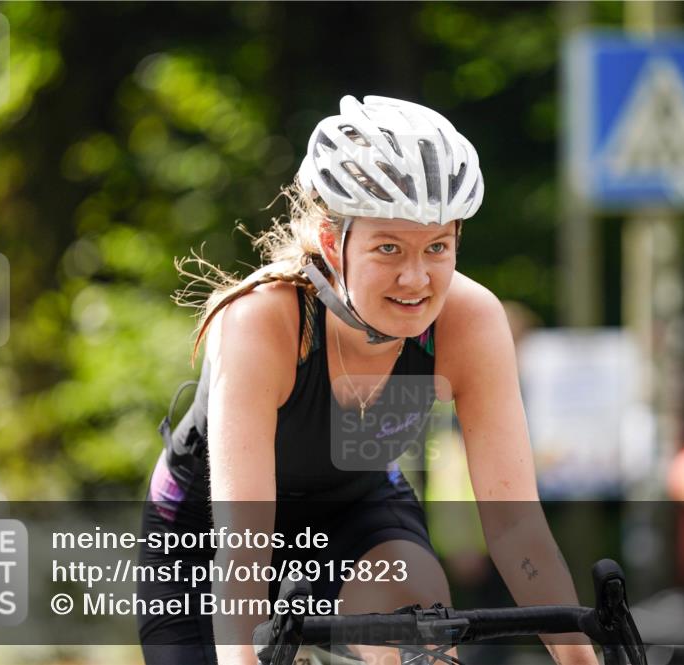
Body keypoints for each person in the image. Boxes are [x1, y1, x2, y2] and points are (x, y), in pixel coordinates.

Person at [137, 94, 598, 665]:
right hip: (208, 532)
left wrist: (580, 657)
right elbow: (244, 546)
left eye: (438, 247)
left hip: (357, 514)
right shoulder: (263, 321)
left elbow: (515, 528)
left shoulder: (470, 321)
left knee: (415, 640)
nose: (416, 277)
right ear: (333, 241)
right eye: (388, 248)